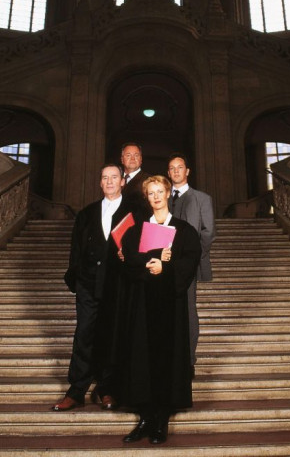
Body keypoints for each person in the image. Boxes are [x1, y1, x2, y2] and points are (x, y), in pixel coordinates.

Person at [119, 175, 201, 444]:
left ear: (168, 194)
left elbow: (190, 261)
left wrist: (165, 268)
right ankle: (144, 418)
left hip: (170, 306)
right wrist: (150, 262)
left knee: (167, 358)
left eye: (159, 191)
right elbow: (129, 261)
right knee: (141, 357)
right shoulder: (136, 231)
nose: (155, 197)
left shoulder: (184, 230)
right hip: (142, 303)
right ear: (147, 198)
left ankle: (161, 420)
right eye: (151, 193)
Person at [52, 164, 131, 412]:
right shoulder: (86, 213)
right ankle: (76, 391)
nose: (109, 181)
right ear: (100, 182)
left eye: (114, 177)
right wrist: (77, 279)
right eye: (105, 178)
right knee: (84, 335)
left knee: (113, 336)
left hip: (119, 285)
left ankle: (107, 389)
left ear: (122, 182)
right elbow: (76, 250)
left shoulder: (135, 212)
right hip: (88, 284)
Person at [167, 153, 216, 378]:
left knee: (187, 310)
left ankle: (188, 361)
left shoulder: (201, 198)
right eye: (172, 168)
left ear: (187, 171)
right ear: (168, 173)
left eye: (180, 167)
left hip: (188, 265)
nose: (176, 171)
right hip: (163, 264)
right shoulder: (162, 196)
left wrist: (193, 257)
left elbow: (208, 232)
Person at [121, 142, 149, 208]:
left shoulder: (149, 180)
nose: (132, 158)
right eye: (128, 155)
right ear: (122, 159)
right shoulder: (115, 179)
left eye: (136, 155)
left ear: (141, 159)